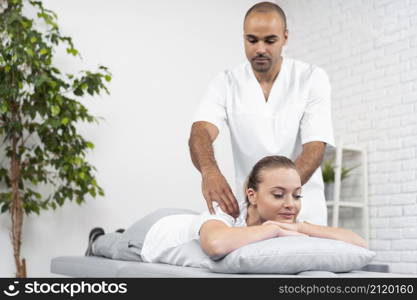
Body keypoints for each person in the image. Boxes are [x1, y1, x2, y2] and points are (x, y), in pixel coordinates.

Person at [188, 2, 335, 225]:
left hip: (301, 213)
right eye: (252, 40)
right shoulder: (226, 82)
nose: (260, 49)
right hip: (250, 214)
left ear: (285, 37)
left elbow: (314, 149)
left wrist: (278, 197)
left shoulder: (311, 78)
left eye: (270, 40)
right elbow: (200, 132)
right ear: (244, 37)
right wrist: (209, 171)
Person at [85, 156, 367, 264]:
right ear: (252, 196)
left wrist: (302, 227)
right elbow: (216, 244)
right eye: (279, 195)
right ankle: (98, 237)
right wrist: (273, 229)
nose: (291, 204)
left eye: (297, 195)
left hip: (189, 221)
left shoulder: (286, 219)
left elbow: (359, 244)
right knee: (110, 245)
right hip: (153, 232)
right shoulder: (227, 213)